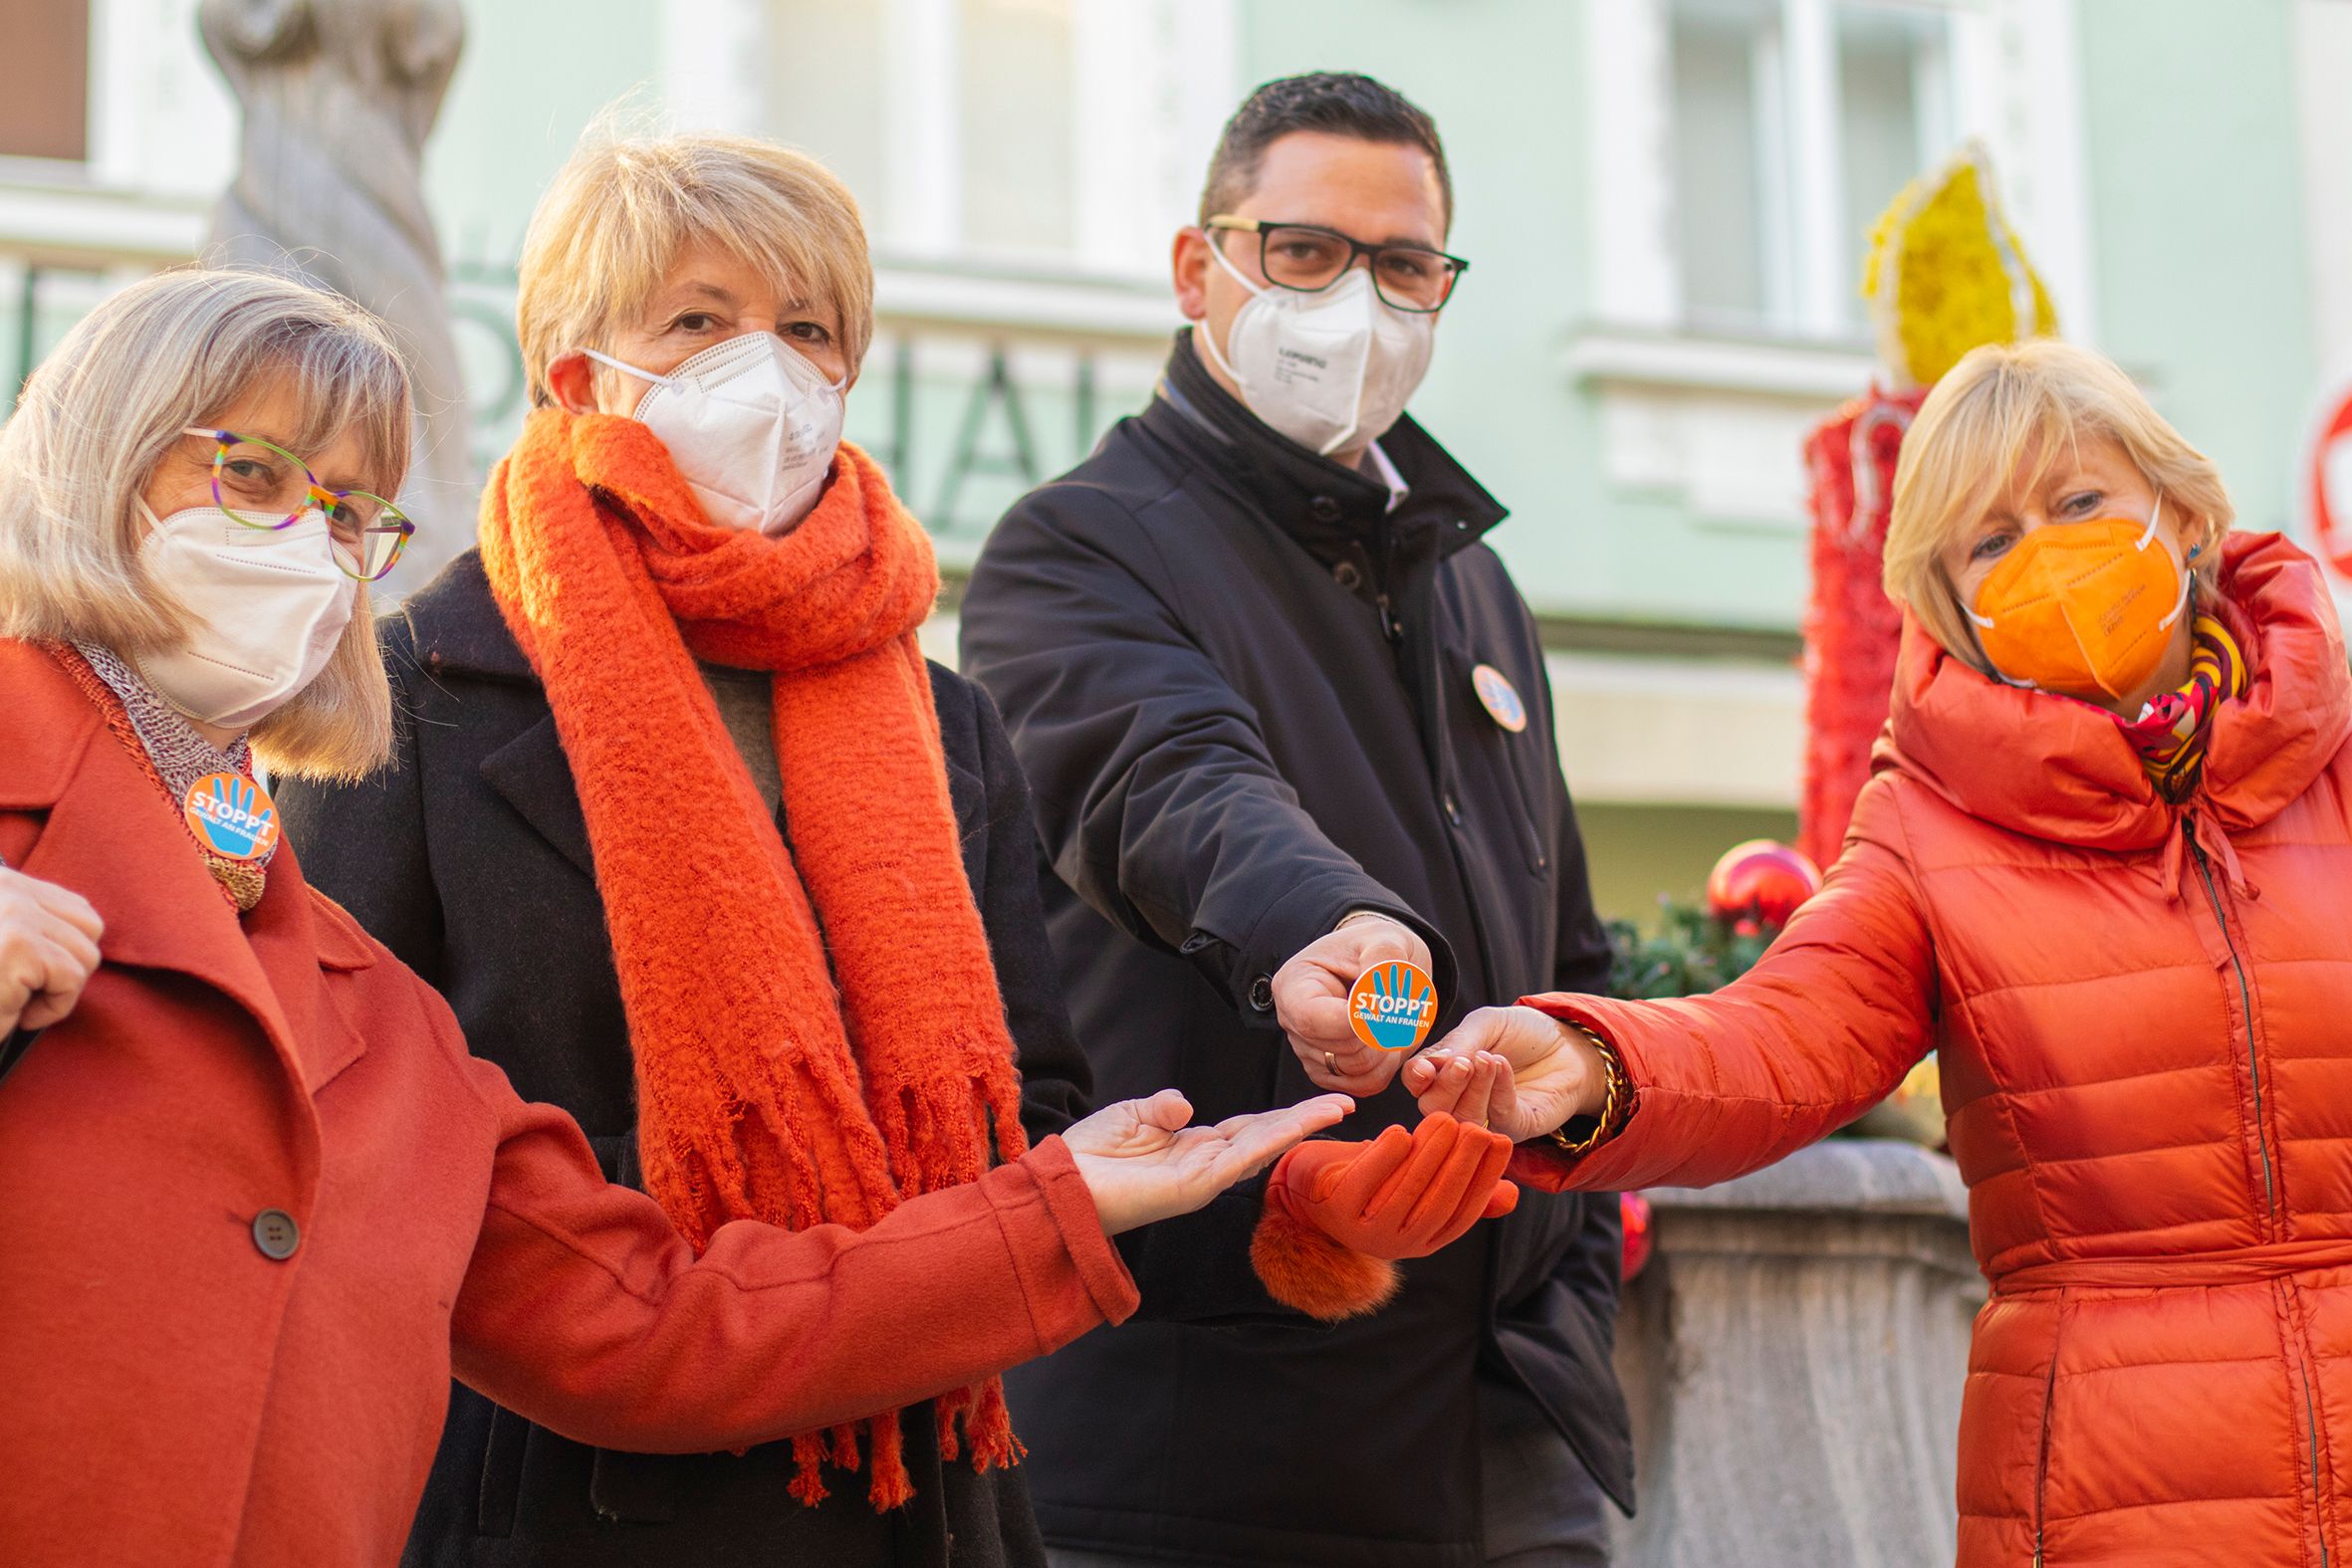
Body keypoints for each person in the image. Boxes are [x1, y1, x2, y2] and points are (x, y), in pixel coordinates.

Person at [266, 127, 1507, 1568]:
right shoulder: (416, 694)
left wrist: (1263, 1195)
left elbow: (1026, 1132)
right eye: (699, 320)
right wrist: (788, 1231)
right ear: (578, 374)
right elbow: (358, 1153)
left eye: (808, 328)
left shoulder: (939, 716)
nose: (769, 368)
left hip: (920, 1494)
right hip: (569, 1491)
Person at [0, 266, 1354, 1568]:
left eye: (355, 513)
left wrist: (1057, 1200)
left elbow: (657, 1324)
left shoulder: (360, 997)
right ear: (98, 461)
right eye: (252, 473)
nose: (314, 543)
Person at [1379, 338, 2352, 1568]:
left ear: (2184, 513)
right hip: (2111, 1486)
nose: (2045, 553)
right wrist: (1588, 1062)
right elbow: (1783, 1034)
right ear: (1949, 599)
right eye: (1989, 541)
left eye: (2078, 501)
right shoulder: (1928, 821)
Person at [959, 72, 1631, 1568]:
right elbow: (1168, 778)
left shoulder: (1472, 583)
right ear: (1201, 267)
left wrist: (1573, 1259)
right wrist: (1328, 932)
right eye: (1306, 252)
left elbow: (1563, 937)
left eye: (1404, 267)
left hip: (1509, 1425)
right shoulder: (1073, 545)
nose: (1359, 304)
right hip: (1198, 1446)